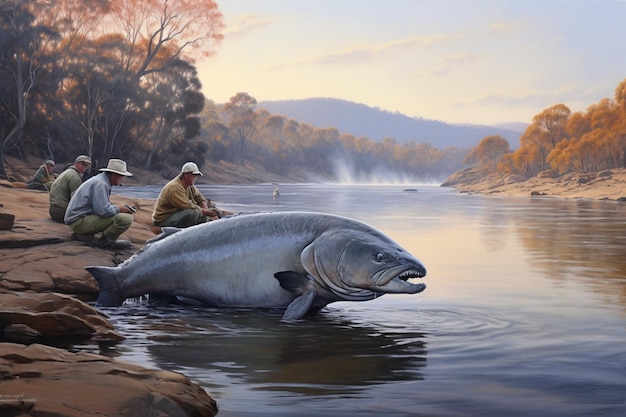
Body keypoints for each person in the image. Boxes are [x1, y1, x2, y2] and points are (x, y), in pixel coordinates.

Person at [64, 158, 135, 250]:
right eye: (122, 176)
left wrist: (118, 208)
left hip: (77, 219)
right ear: (114, 175)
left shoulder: (101, 181)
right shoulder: (101, 184)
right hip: (79, 221)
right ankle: (106, 242)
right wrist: (119, 209)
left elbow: (101, 206)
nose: (122, 179)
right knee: (126, 219)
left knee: (116, 213)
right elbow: (103, 211)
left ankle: (84, 235)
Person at [152, 162, 232, 228]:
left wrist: (206, 210)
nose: (195, 178)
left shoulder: (190, 186)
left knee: (203, 212)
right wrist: (208, 212)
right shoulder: (174, 188)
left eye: (196, 176)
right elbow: (188, 206)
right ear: (185, 175)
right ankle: (187, 230)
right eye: (193, 175)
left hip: (177, 215)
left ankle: (208, 226)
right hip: (164, 219)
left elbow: (200, 197)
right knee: (193, 212)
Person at [48, 155, 91, 223]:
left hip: (53, 210)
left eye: (86, 165)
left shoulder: (68, 171)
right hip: (61, 212)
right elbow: (75, 200)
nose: (84, 167)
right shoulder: (75, 177)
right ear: (76, 163)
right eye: (83, 164)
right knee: (89, 219)